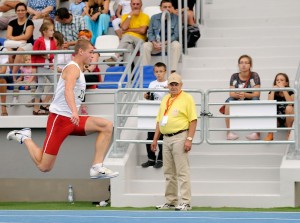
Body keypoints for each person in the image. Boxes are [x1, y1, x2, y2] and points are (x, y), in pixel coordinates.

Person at [7, 39, 119, 179]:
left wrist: (73, 113)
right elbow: (68, 90)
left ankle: (97, 167)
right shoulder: (72, 68)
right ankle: (24, 137)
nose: (93, 55)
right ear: (80, 51)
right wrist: (74, 111)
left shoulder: (79, 69)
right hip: (59, 120)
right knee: (44, 166)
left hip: (71, 120)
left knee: (106, 126)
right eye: (91, 52)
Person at [151, 72, 197, 211]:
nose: (174, 86)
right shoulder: (165, 99)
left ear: (181, 85)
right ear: (168, 85)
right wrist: (154, 139)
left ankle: (185, 202)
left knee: (182, 171)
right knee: (168, 172)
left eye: (176, 84)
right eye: (171, 84)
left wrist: (189, 139)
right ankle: (171, 201)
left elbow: (193, 120)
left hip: (180, 136)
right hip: (166, 138)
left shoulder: (187, 98)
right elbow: (159, 121)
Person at [225, 55, 261, 140]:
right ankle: (229, 132)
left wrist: (245, 94)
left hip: (250, 97)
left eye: (246, 63)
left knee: (256, 100)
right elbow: (231, 93)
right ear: (238, 65)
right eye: (241, 63)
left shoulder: (254, 75)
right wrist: (239, 95)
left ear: (250, 65)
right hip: (238, 98)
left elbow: (257, 94)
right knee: (228, 102)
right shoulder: (234, 76)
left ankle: (256, 132)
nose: (243, 65)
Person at [104, 0, 149, 66]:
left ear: (141, 5)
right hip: (129, 42)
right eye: (133, 4)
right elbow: (124, 28)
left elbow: (142, 31)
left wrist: (128, 30)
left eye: (137, 4)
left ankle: (116, 56)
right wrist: (130, 14)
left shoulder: (145, 16)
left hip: (140, 41)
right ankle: (127, 71)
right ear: (130, 5)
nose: (135, 6)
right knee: (128, 47)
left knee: (127, 36)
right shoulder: (126, 16)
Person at [141, 62, 168, 169]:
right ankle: (151, 159)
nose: (158, 74)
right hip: (153, 113)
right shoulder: (152, 84)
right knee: (150, 137)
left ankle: (161, 159)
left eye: (161, 71)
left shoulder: (169, 83)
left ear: (165, 72)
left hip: (164, 114)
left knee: (162, 138)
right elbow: (150, 96)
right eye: (156, 72)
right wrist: (146, 96)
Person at [143, 0, 180, 73]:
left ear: (172, 8)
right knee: (145, 45)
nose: (167, 9)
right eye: (165, 7)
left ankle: (173, 71)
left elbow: (176, 35)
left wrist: (164, 43)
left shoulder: (176, 18)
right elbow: (150, 33)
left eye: (169, 7)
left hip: (168, 44)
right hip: (156, 44)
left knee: (176, 45)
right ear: (161, 8)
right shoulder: (154, 17)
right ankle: (145, 70)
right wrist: (154, 42)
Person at [32, 21, 56, 115]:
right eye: (51, 30)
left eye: (52, 30)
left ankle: (45, 104)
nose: (53, 32)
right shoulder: (38, 41)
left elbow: (53, 54)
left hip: (48, 66)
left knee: (56, 84)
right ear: (45, 32)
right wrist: (33, 67)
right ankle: (36, 107)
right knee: (41, 86)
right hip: (40, 66)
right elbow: (33, 55)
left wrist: (49, 57)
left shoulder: (52, 41)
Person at [6, 2, 34, 79]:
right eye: (18, 10)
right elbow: (8, 35)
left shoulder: (29, 22)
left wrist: (14, 38)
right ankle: (14, 76)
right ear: (16, 11)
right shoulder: (12, 22)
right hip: (13, 44)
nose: (20, 12)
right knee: (9, 52)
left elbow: (27, 36)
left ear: (26, 11)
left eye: (22, 10)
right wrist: (20, 37)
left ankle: (13, 77)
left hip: (27, 44)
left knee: (19, 50)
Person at [77, 29, 102, 115]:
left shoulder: (94, 51)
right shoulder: (78, 51)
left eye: (83, 38)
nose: (81, 40)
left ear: (89, 39)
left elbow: (93, 66)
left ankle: (83, 106)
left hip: (92, 74)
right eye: (80, 38)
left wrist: (82, 73)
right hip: (82, 74)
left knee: (80, 79)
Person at [264, 73, 294, 141]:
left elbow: (290, 103)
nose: (279, 82)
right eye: (277, 80)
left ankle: (289, 133)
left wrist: (283, 89)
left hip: (288, 120)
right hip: (277, 120)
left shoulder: (291, 92)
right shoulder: (272, 92)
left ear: (286, 83)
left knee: (289, 108)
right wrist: (273, 91)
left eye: (282, 80)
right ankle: (270, 134)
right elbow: (270, 104)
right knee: (269, 109)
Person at [0, 46, 10, 116]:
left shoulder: (2, 50)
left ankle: (3, 107)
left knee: (1, 79)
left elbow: (3, 71)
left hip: (6, 75)